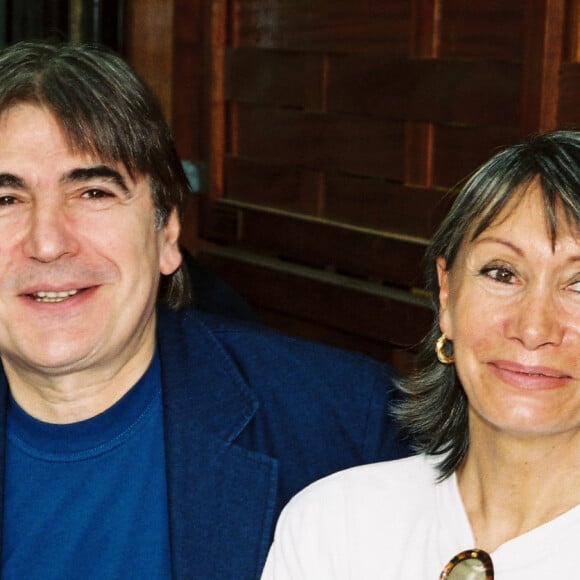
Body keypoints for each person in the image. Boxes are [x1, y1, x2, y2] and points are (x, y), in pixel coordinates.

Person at [0, 41, 410, 579]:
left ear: (167, 231)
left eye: (95, 192)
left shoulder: (347, 426)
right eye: (5, 200)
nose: (47, 243)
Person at [262, 130, 580, 579]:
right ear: (447, 295)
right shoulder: (335, 525)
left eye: (579, 285)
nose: (533, 328)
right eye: (502, 272)